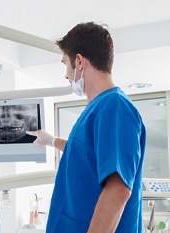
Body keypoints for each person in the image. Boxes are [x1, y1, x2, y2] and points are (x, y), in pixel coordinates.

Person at [27, 22, 146, 232]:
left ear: (79, 62)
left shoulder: (114, 107)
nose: (65, 74)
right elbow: (87, 155)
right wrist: (52, 141)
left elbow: (118, 190)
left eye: (65, 63)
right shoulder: (98, 109)